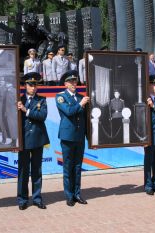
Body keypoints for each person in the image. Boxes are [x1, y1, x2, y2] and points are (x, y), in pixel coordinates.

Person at [55, 70, 89, 206]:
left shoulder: (81, 97)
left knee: (77, 166)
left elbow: (86, 118)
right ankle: (69, 196)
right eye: (71, 82)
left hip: (79, 136)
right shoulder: (60, 97)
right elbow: (69, 112)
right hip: (68, 137)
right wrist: (81, 104)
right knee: (68, 167)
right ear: (65, 84)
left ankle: (77, 193)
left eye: (75, 81)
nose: (74, 84)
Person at [17, 72, 50, 210]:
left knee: (37, 170)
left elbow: (42, 116)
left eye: (35, 85)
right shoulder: (19, 100)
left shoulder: (41, 100)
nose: (33, 87)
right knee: (23, 171)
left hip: (37, 139)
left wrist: (26, 111)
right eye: (31, 85)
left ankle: (37, 198)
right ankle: (22, 199)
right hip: (23, 140)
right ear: (25, 85)